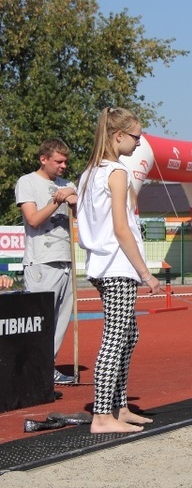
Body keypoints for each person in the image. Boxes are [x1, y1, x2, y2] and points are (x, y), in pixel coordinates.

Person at [77, 107, 160, 434]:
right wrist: (146, 273)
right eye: (136, 137)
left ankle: (120, 406)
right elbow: (121, 228)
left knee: (129, 333)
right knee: (114, 339)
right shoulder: (115, 172)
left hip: (103, 264)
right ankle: (102, 415)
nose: (139, 144)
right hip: (117, 266)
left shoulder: (90, 173)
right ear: (118, 136)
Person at [15, 138, 78, 385]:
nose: (63, 166)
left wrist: (75, 199)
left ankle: (46, 367)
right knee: (40, 320)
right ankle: (30, 370)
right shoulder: (27, 182)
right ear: (44, 159)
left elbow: (81, 218)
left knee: (61, 321)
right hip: (41, 262)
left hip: (66, 261)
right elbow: (32, 219)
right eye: (58, 161)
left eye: (66, 162)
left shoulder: (68, 185)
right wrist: (57, 200)